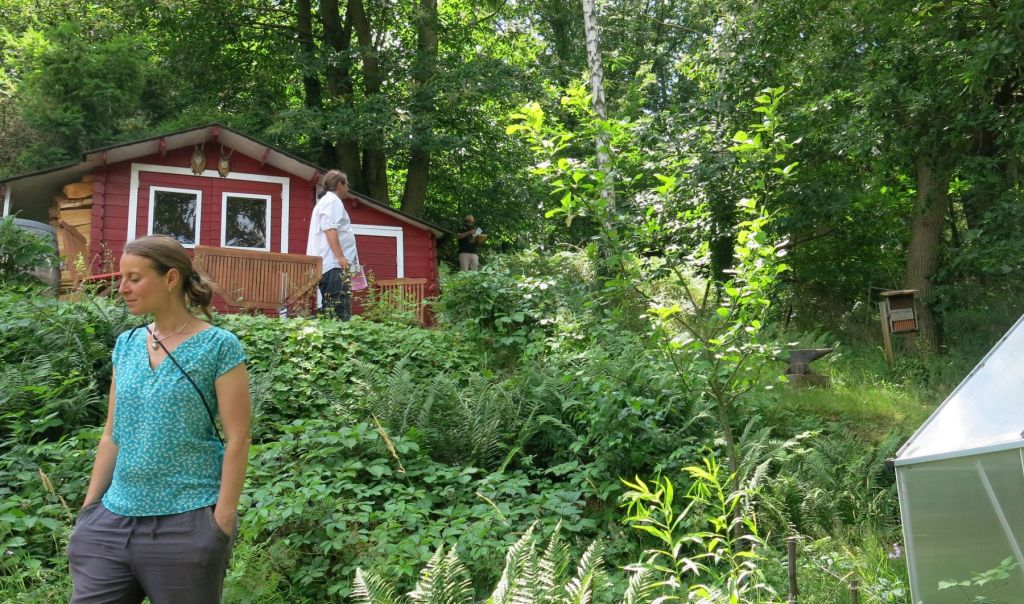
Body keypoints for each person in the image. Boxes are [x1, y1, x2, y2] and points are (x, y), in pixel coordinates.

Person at [67, 234, 251, 604]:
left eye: (134, 278)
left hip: (186, 521)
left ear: (170, 278)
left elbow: (238, 437)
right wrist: (88, 511)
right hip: (112, 521)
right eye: (122, 278)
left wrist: (221, 521)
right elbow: (112, 434)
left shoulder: (218, 345)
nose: (122, 288)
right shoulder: (127, 345)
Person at [307, 170, 359, 320]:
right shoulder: (332, 201)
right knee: (338, 310)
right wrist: (340, 257)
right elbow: (329, 228)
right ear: (340, 184)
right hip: (333, 264)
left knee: (332, 307)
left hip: (330, 264)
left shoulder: (326, 201)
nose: (348, 188)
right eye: (346, 184)